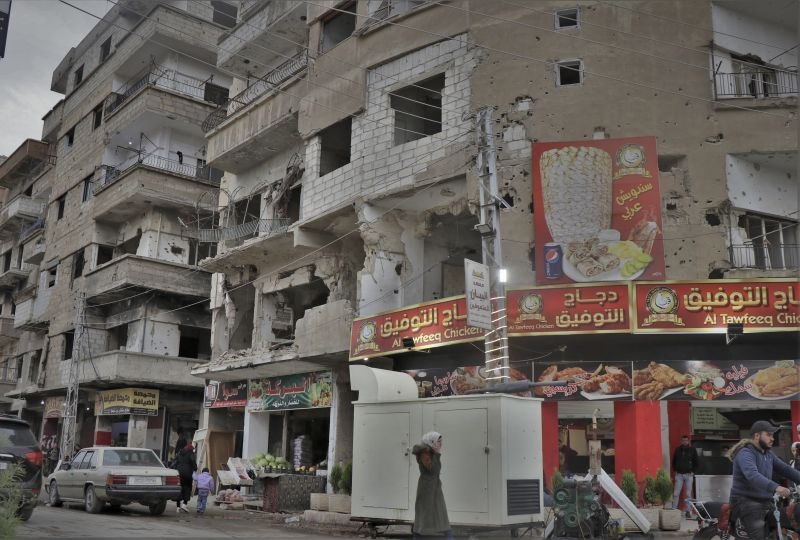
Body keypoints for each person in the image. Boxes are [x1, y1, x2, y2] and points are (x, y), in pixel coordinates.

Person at [729, 420, 800, 540]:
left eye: (773, 435)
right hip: (746, 502)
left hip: (766, 501)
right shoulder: (745, 453)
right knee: (759, 536)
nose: (772, 438)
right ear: (757, 436)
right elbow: (752, 475)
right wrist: (776, 487)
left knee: (789, 521)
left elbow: (786, 469)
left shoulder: (768, 454)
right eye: (769, 435)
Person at [411, 432, 453, 539]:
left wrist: (436, 453)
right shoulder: (425, 453)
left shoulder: (430, 452)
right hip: (427, 489)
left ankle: (448, 536)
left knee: (440, 514)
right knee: (424, 516)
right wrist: (437, 454)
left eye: (440, 441)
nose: (440, 444)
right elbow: (434, 470)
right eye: (438, 441)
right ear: (431, 441)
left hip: (434, 487)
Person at [672, 435, 699, 516]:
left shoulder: (692, 449)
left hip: (688, 475)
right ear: (681, 441)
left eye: (686, 440)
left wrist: (693, 471)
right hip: (679, 475)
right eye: (683, 440)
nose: (684, 442)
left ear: (688, 441)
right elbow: (674, 461)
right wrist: (675, 470)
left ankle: (688, 511)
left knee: (688, 494)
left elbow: (696, 461)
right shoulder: (677, 449)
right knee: (676, 493)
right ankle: (674, 510)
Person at [174, 443, 197, 513]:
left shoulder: (179, 453)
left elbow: (175, 462)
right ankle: (184, 504)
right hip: (187, 473)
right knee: (187, 488)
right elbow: (193, 461)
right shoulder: (191, 453)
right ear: (190, 449)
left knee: (179, 489)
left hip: (179, 473)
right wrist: (195, 468)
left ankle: (178, 507)